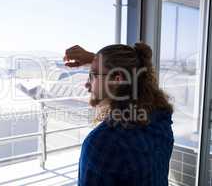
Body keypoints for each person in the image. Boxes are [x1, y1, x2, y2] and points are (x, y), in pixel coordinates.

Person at [64, 43, 174, 186]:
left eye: (92, 75)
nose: (87, 84)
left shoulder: (102, 143)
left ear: (117, 79)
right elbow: (135, 71)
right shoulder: (160, 118)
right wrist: (97, 61)